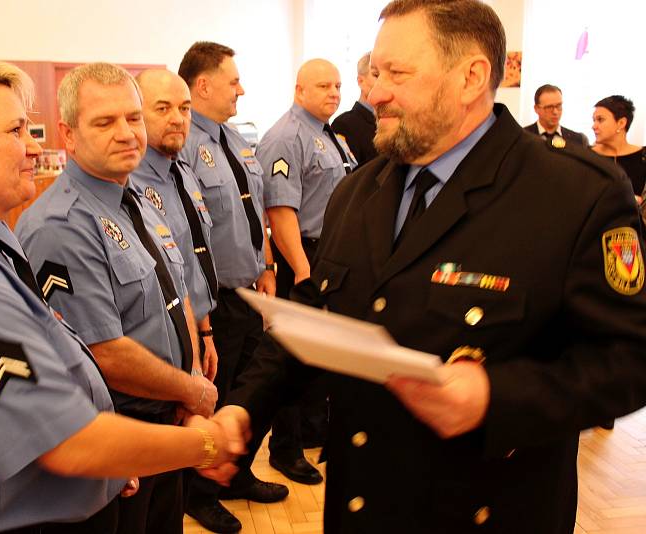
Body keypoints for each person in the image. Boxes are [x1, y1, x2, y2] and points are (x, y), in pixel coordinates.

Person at [217, 1, 646, 533]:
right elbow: (317, 311)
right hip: (362, 503)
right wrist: (244, 408)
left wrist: (496, 396)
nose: (375, 93)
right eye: (375, 73)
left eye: (397, 73)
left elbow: (630, 358)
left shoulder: (574, 194)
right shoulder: (359, 191)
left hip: (487, 509)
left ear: (471, 77)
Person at [0, 58, 243, 534]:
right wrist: (207, 445)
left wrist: (105, 469)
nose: (33, 145)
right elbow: (65, 440)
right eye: (17, 130)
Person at [14, 63, 219, 534]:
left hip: (166, 417)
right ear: (67, 134)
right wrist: (193, 390)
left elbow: (175, 289)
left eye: (133, 118)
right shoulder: (61, 226)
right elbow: (103, 352)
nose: (127, 133)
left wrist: (188, 375)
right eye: (105, 122)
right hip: (120, 438)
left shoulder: (137, 196)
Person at [178, 41, 287, 533]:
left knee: (250, 391)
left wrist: (266, 263)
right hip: (213, 299)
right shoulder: (182, 145)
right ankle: (200, 492)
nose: (241, 88)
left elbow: (253, 207)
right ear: (203, 84)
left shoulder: (237, 139)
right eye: (233, 79)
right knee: (217, 398)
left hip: (248, 287)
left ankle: (237, 475)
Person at [255, 58, 356, 485]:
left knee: (318, 355)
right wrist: (301, 269)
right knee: (292, 356)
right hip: (306, 258)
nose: (334, 92)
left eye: (337, 85)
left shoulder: (327, 135)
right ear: (299, 90)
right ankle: (285, 449)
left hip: (331, 255)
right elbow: (281, 210)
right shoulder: (286, 137)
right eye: (323, 86)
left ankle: (311, 434)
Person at [130, 69, 218, 383]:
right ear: (136, 114)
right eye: (163, 108)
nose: (178, 118)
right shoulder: (130, 183)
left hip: (201, 328)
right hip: (165, 343)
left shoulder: (181, 170)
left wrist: (205, 331)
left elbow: (189, 262)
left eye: (184, 108)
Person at [592, 95, 646, 199]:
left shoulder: (643, 157)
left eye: (600, 120)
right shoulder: (586, 156)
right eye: (594, 120)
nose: (594, 126)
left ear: (621, 123)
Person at [332, 52, 379, 164]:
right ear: (360, 81)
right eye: (376, 75)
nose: (383, 82)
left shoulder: (392, 121)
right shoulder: (344, 125)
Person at [523, 84, 589, 148]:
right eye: (549, 107)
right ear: (536, 108)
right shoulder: (523, 137)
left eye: (559, 106)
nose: (555, 112)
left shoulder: (578, 140)